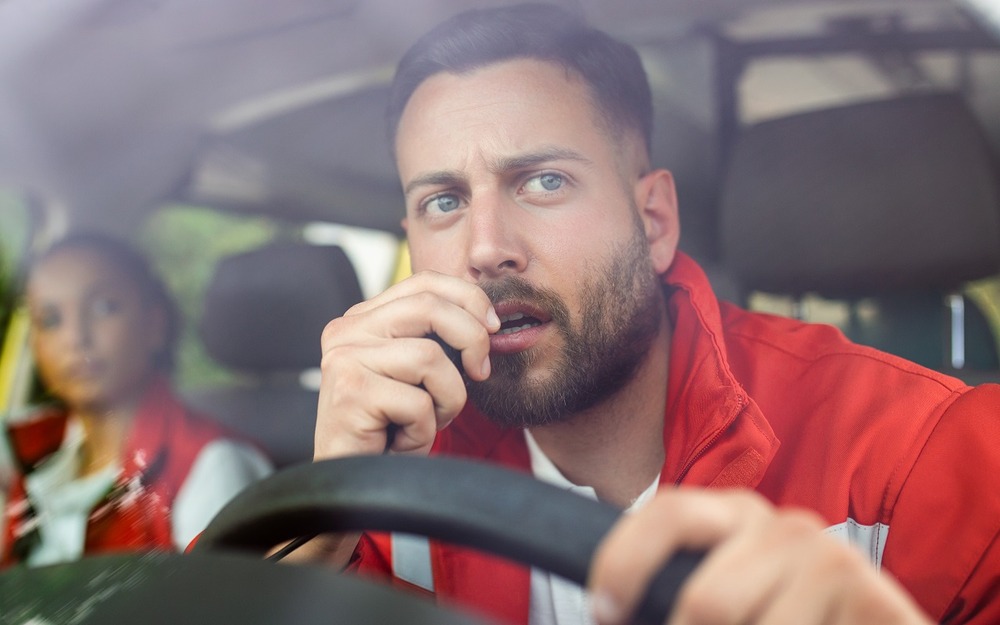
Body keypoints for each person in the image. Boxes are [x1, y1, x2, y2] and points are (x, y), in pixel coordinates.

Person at [304, 4, 1000, 624]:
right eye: (444, 202)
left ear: (655, 221)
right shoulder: (391, 477)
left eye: (544, 181)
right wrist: (318, 525)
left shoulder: (932, 452)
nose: (486, 249)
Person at [1, 233, 272, 567]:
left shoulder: (212, 466)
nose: (75, 338)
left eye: (104, 307)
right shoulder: (29, 446)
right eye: (51, 320)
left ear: (154, 325)